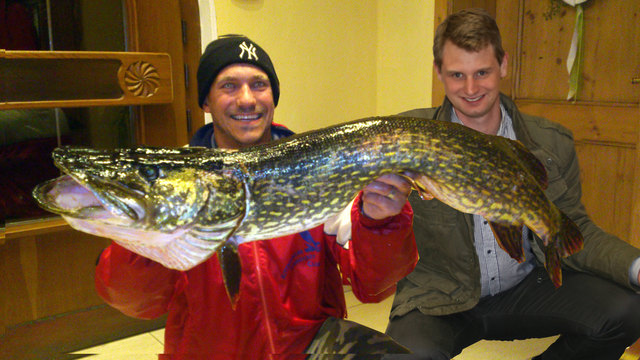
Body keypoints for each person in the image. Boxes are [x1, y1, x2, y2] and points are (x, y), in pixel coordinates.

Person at [94, 35, 418, 359]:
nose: (246, 99)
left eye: (259, 84)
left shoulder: (317, 170)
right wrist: (142, 234)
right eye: (229, 86)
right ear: (206, 102)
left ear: (273, 97)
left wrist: (381, 222)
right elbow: (137, 302)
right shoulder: (175, 183)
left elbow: (374, 287)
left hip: (308, 345)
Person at [384, 8, 640, 360]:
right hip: (440, 298)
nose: (471, 89)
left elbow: (574, 230)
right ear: (439, 72)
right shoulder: (408, 138)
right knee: (401, 356)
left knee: (628, 310)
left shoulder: (551, 142)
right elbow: (374, 236)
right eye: (457, 75)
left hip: (526, 288)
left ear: (503, 65)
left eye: (483, 73)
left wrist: (636, 266)